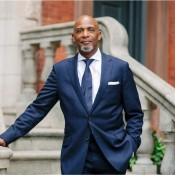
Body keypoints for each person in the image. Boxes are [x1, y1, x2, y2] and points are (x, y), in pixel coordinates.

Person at [0, 15, 143, 174]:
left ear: (99, 35)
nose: (85, 35)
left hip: (113, 155)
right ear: (73, 37)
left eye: (90, 30)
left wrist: (131, 145)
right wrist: (6, 137)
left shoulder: (119, 68)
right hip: (76, 158)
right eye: (79, 31)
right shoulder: (61, 71)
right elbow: (38, 108)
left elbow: (134, 113)